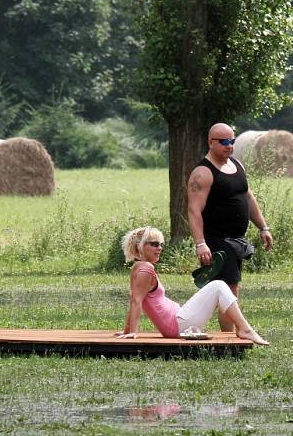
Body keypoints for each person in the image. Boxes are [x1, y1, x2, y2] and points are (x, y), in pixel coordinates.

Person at [115, 226, 268, 345]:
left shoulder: (138, 267)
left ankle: (243, 328)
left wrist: (127, 330)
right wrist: (132, 332)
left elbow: (135, 299)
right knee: (219, 285)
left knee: (218, 287)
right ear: (139, 247)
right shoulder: (145, 269)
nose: (159, 248)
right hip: (177, 325)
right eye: (154, 244)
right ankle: (245, 329)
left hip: (177, 321)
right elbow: (136, 301)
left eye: (161, 244)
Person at [187, 123, 273, 331]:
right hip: (217, 239)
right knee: (229, 289)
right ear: (211, 142)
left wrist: (263, 227)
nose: (229, 146)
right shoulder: (202, 173)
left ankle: (228, 338)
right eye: (224, 142)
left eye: (232, 141)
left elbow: (248, 197)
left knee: (230, 289)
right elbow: (193, 210)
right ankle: (228, 341)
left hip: (236, 239)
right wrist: (201, 243)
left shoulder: (237, 165)